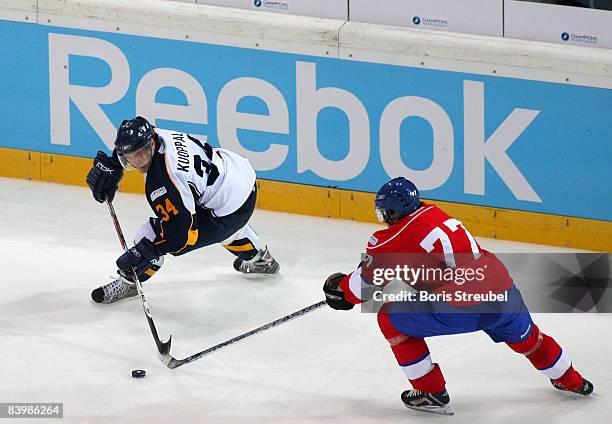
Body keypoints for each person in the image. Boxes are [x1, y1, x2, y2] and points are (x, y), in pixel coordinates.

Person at [322, 177, 593, 416]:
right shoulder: (434, 213)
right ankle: (573, 381)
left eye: (384, 212)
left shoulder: (394, 237)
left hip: (462, 306)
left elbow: (360, 288)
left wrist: (341, 291)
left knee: (389, 319)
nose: (384, 218)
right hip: (502, 291)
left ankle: (431, 393)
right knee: (530, 339)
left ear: (394, 211)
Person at [86, 116, 279, 304]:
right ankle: (261, 259)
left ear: (151, 144)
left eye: (141, 154)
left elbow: (182, 234)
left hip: (230, 208)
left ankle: (130, 283)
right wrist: (114, 165)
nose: (138, 162)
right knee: (215, 219)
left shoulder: (163, 180)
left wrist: (149, 251)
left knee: (148, 236)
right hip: (236, 175)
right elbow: (134, 141)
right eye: (130, 157)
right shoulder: (156, 134)